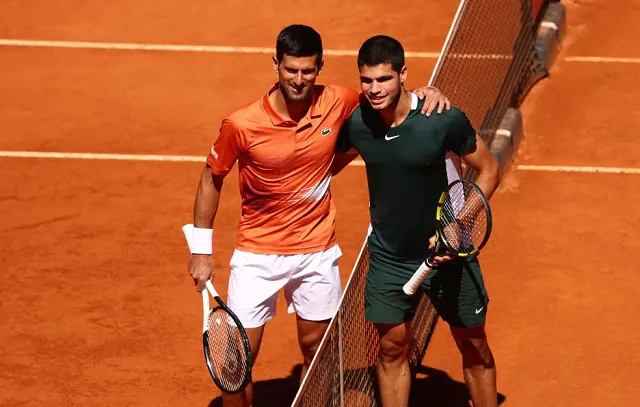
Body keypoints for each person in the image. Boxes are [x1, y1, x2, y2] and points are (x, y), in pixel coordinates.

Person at [184, 25, 451, 407]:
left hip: (317, 252)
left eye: (308, 71)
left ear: (320, 67)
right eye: (291, 70)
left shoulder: (338, 101)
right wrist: (201, 251)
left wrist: (426, 94)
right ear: (276, 64)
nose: (299, 79)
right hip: (258, 255)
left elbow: (386, 97)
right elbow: (211, 179)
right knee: (237, 363)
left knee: (318, 353)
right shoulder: (240, 125)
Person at [334, 35, 501, 407]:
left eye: (384, 79)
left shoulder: (441, 120)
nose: (374, 89)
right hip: (389, 257)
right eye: (367, 80)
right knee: (391, 351)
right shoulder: (358, 123)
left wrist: (457, 224)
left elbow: (489, 169)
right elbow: (325, 164)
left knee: (473, 345)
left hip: (452, 256)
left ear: (403, 74)